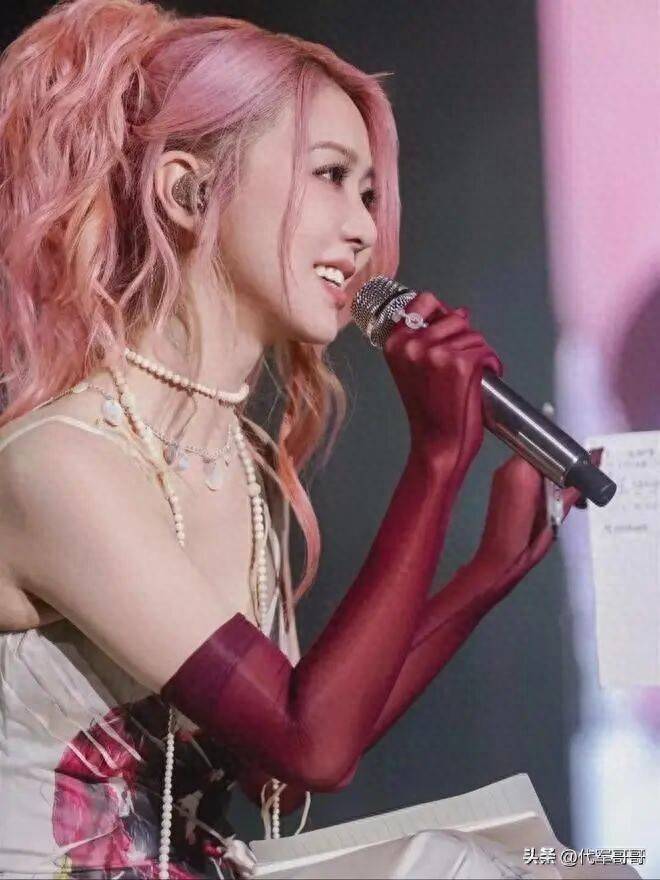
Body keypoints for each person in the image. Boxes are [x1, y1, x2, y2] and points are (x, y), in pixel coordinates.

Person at [0, 1, 591, 877]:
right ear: (186, 190)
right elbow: (310, 744)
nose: (363, 230)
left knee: (580, 866)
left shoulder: (234, 463)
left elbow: (272, 760)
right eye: (329, 175)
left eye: (369, 193)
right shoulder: (60, 463)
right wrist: (434, 461)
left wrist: (483, 576)